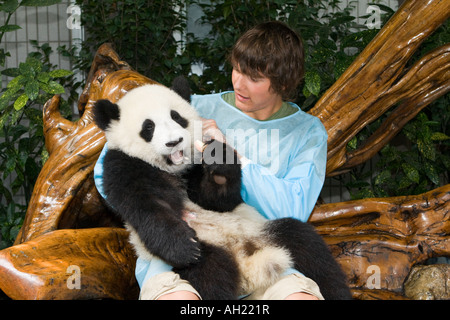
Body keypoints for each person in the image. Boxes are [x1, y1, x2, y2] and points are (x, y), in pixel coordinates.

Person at [94, 21, 328, 300]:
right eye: (238, 69)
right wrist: (161, 211)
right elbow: (112, 169)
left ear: (284, 82)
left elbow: (293, 209)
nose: (239, 83)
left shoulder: (308, 132)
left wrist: (231, 155)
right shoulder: (193, 108)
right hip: (183, 248)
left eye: (254, 78)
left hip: (258, 245)